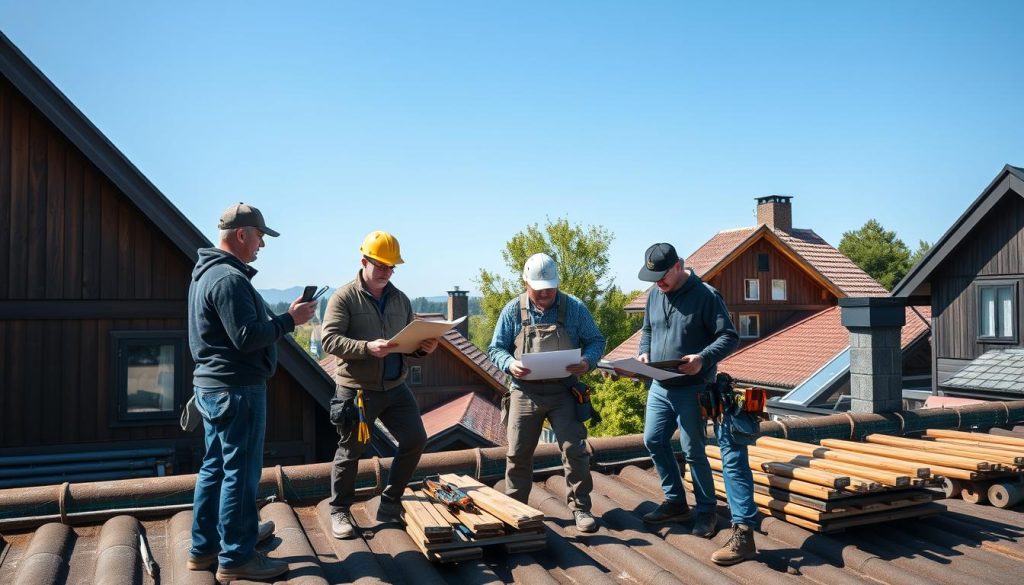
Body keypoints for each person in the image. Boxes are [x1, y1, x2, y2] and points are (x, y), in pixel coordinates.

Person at [187, 203, 317, 581]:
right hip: (237, 390)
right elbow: (246, 338)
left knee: (214, 468)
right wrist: (289, 320)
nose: (262, 245)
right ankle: (237, 556)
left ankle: (205, 547)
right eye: (260, 236)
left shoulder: (205, 274)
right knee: (239, 474)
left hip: (212, 388)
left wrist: (282, 318)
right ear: (242, 234)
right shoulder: (229, 279)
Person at [635, 242, 758, 566]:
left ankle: (706, 512)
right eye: (653, 277)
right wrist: (644, 353)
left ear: (678, 266)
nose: (657, 282)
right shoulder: (654, 295)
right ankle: (675, 501)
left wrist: (703, 359)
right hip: (660, 386)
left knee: (693, 450)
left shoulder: (706, 295)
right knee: (653, 440)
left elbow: (729, 336)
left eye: (661, 275)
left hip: (693, 388)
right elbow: (647, 329)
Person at [321, 230, 439, 539]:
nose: (386, 272)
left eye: (391, 267)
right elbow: (329, 340)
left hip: (395, 387)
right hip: (357, 390)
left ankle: (390, 501)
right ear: (364, 262)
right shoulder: (344, 297)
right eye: (381, 266)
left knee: (416, 439)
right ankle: (340, 510)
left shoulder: (400, 299)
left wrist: (421, 348)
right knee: (351, 450)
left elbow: (406, 340)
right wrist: (365, 348)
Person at [488, 253, 606, 533]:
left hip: (564, 391)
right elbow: (495, 349)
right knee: (518, 453)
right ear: (525, 282)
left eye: (550, 289)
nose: (545, 294)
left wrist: (588, 361)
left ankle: (581, 508)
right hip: (524, 392)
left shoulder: (574, 308)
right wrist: (510, 364)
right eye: (539, 290)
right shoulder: (512, 310)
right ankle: (516, 509)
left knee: (574, 450)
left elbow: (596, 340)